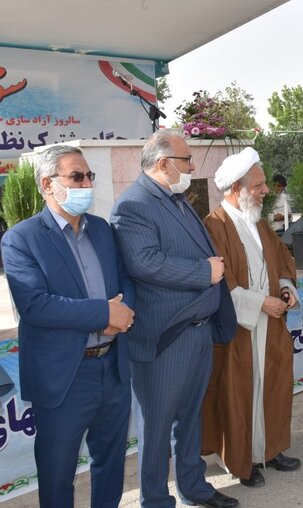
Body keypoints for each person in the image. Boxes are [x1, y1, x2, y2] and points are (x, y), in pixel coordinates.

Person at [1, 145, 135, 508]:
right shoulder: (21, 238)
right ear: (48, 184)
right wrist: (103, 315)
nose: (87, 183)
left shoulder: (103, 231)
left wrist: (123, 316)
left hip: (112, 367)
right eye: (77, 176)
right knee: (57, 473)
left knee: (110, 463)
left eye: (89, 175)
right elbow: (35, 305)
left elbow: (126, 283)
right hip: (64, 377)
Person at [111, 129, 239, 508]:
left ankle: (193, 488)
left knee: (190, 418)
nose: (192, 166)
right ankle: (155, 499)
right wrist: (204, 273)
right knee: (156, 426)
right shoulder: (134, 204)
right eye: (186, 159)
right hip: (166, 337)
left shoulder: (175, 198)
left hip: (197, 332)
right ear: (164, 163)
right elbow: (144, 262)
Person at [201, 148, 301, 488]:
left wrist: (285, 289)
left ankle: (268, 450)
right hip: (239, 328)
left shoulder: (258, 222)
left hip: (270, 323)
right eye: (258, 185)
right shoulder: (214, 225)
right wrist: (261, 303)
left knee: (272, 386)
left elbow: (281, 261)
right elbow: (220, 282)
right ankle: (242, 459)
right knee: (238, 392)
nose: (264, 190)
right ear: (236, 189)